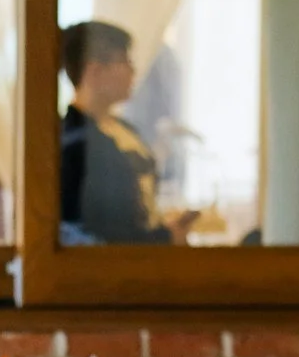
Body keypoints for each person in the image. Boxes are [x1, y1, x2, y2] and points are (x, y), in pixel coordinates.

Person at [59, 20, 196, 245]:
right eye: (124, 61)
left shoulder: (125, 130)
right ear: (95, 71)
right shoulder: (74, 141)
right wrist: (165, 237)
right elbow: (106, 235)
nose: (133, 71)